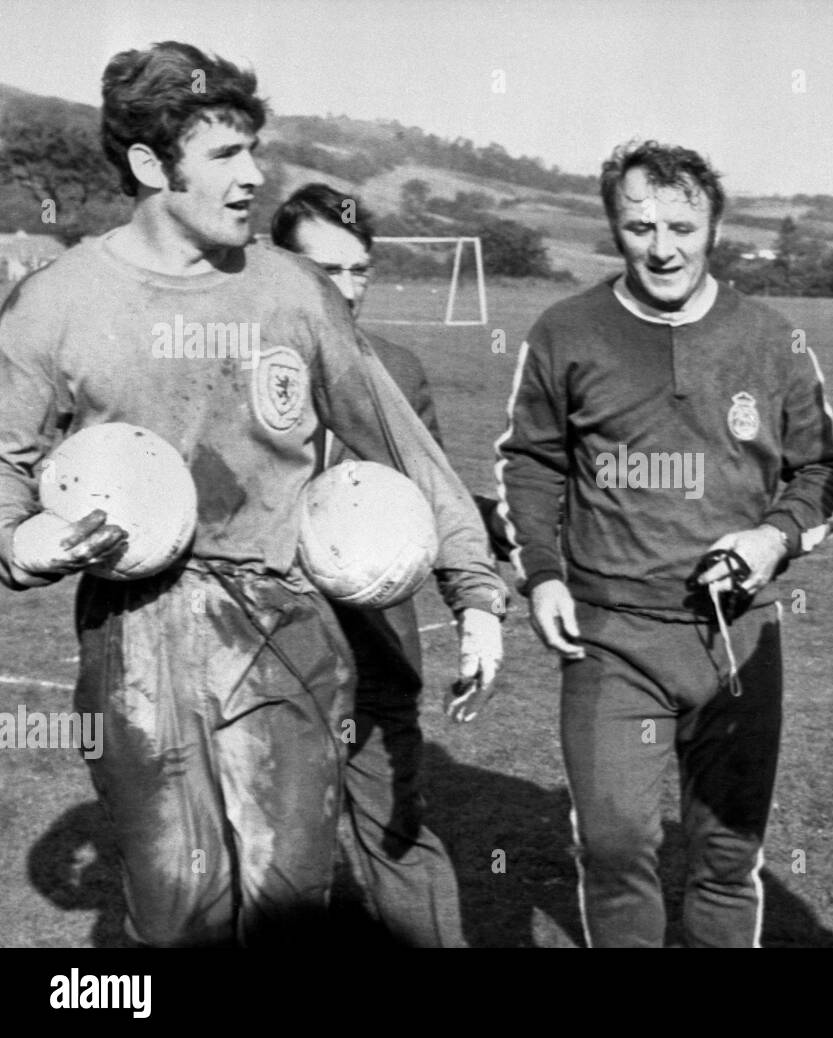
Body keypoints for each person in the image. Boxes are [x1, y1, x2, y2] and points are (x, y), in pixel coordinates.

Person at [0, 41, 506, 947]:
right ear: (152, 166)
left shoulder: (291, 293)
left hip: (284, 623)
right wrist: (18, 543)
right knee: (176, 910)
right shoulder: (57, 301)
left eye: (255, 151)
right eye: (226, 156)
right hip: (135, 634)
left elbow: (403, 443)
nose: (255, 177)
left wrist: (474, 592)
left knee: (288, 906)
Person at [496, 140, 833, 947]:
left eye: (682, 225)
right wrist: (543, 576)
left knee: (727, 854)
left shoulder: (772, 337)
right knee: (617, 844)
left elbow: (825, 471)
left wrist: (773, 537)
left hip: (739, 637)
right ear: (614, 229)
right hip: (611, 634)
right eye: (639, 226)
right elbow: (530, 464)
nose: (662, 247)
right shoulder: (566, 330)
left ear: (714, 226)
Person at [271, 182, 493, 947]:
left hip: (377, 647)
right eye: (325, 269)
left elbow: (430, 495)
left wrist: (475, 600)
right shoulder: (240, 361)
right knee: (277, 852)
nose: (346, 288)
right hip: (269, 650)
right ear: (277, 264)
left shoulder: (396, 366)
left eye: (360, 269)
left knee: (397, 835)